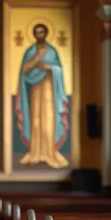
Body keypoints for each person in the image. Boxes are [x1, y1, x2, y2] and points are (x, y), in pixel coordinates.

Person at [15, 23, 69, 169]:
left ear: (46, 33)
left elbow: (59, 70)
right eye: (37, 32)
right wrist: (37, 58)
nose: (39, 35)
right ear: (34, 34)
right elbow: (24, 70)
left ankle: (50, 153)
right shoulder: (30, 51)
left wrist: (49, 67)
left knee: (49, 121)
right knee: (36, 121)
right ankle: (36, 152)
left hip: (50, 92)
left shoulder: (52, 52)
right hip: (35, 91)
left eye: (42, 32)